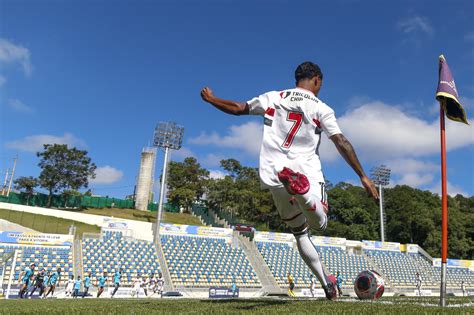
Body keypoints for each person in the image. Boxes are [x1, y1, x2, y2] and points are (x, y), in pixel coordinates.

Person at [200, 61, 379, 300]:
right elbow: (341, 141)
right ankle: (303, 192)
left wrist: (212, 99)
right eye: (320, 84)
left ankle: (327, 284)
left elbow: (238, 108)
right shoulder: (321, 107)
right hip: (306, 170)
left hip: (275, 174)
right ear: (316, 80)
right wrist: (363, 176)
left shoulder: (273, 97)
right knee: (320, 223)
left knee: (300, 233)